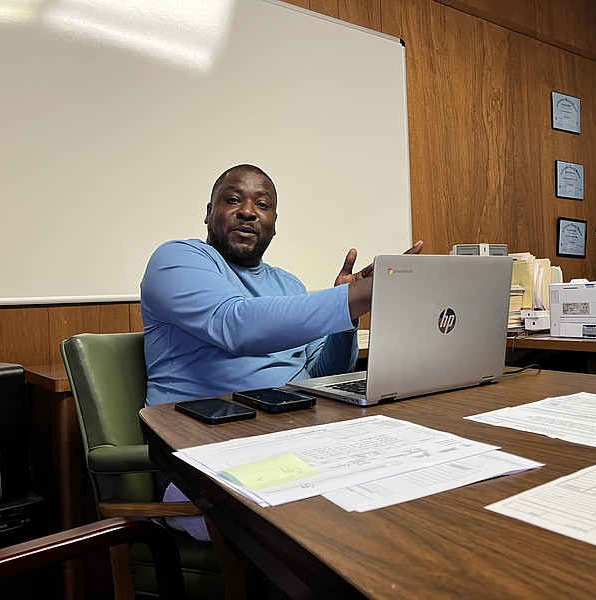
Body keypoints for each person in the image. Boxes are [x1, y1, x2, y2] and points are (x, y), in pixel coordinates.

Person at [140, 163, 422, 540]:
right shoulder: (177, 259)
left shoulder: (288, 284)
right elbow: (235, 324)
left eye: (263, 204)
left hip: (292, 439)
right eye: (233, 199)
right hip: (198, 455)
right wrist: (349, 298)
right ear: (209, 212)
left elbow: (322, 373)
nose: (247, 211)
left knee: (403, 478)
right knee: (322, 522)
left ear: (273, 222)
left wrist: (346, 317)